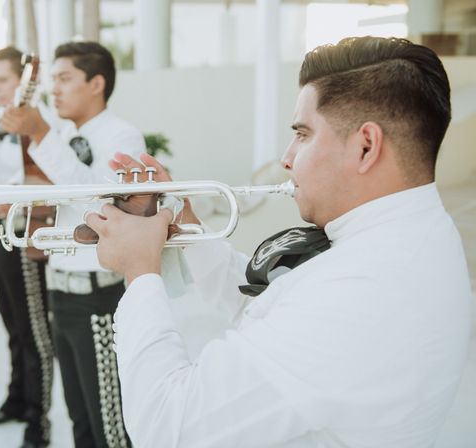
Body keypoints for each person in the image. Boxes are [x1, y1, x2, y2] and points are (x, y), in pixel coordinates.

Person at [84, 36, 472, 447]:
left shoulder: (360, 288)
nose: (287, 158)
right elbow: (270, 309)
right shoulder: (409, 231)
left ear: (365, 146)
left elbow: (167, 424)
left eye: (302, 135)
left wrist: (139, 274)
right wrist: (186, 223)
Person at [2, 41, 145, 448]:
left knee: (110, 427)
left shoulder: (123, 135)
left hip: (98, 299)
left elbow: (99, 202)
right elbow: (48, 187)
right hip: (61, 291)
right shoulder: (64, 133)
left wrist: (41, 134)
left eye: (65, 79)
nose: (55, 90)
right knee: (79, 419)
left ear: (96, 82)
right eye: (54, 81)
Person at [0, 46, 54, 448]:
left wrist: (13, 194)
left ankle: (39, 422)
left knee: (34, 332)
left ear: (23, 80)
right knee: (11, 327)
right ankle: (17, 400)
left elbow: (48, 180)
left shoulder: (41, 121)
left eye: (3, 79)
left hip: (22, 237)